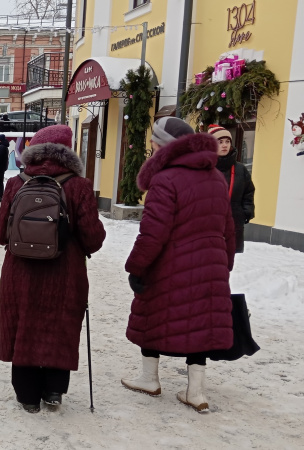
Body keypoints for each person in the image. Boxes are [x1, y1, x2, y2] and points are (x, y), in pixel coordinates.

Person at [121, 117, 236, 413]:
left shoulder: (165, 178)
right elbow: (228, 226)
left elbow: (153, 231)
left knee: (151, 314)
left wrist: (137, 267)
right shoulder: (214, 177)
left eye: (153, 141)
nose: (151, 146)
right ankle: (196, 392)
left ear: (163, 145)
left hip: (170, 263)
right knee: (200, 322)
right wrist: (226, 263)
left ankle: (149, 379)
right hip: (211, 263)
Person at [0, 125, 106, 413]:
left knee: (23, 325)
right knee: (60, 325)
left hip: (20, 272)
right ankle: (54, 390)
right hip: (65, 273)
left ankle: (27, 395)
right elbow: (93, 239)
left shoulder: (18, 183)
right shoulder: (79, 185)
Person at [208, 125, 255, 253]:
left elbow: (248, 191)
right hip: (208, 223)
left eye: (227, 141)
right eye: (220, 142)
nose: (225, 145)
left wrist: (246, 211)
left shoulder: (240, 169)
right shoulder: (204, 167)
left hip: (234, 221)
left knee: (227, 261)